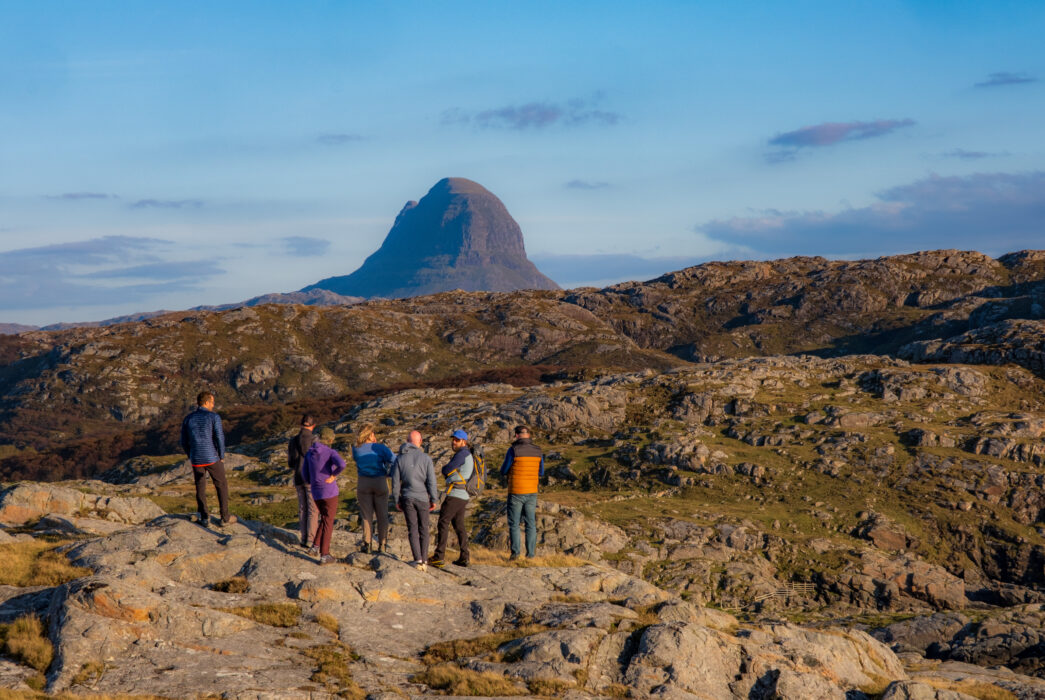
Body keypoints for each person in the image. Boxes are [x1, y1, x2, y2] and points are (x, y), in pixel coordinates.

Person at [180, 391, 235, 527]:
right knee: (221, 485)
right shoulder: (213, 417)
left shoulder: (188, 418)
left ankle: (204, 517)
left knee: (200, 486)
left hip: (196, 458)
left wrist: (191, 454)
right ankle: (225, 517)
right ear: (206, 402)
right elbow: (219, 437)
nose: (213, 404)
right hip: (211, 457)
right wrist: (221, 455)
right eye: (212, 402)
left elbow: (183, 441)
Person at [391, 430, 437, 570]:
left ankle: (417, 559)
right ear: (420, 442)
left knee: (413, 529)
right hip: (423, 498)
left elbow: (395, 482)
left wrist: (396, 499)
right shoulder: (426, 458)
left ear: (407, 441)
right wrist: (433, 498)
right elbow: (431, 481)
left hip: (407, 497)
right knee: (424, 529)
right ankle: (424, 560)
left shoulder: (400, 458)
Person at [430, 429, 473, 568]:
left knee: (443, 522)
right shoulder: (467, 454)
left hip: (455, 494)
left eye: (456, 440)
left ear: (464, 442)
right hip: (463, 495)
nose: (453, 442)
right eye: (453, 439)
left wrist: (444, 469)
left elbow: (447, 469)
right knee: (459, 525)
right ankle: (464, 556)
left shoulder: (462, 454)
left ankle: (438, 556)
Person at [500, 425, 544, 560]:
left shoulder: (513, 450)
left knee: (514, 524)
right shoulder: (538, 450)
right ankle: (530, 555)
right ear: (529, 435)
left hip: (516, 491)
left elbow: (504, 469)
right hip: (532, 491)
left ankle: (515, 554)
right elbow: (541, 472)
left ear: (517, 435)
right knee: (530, 523)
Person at [303, 427, 346, 565]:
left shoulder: (309, 453)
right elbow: (342, 464)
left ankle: (315, 547)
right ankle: (325, 555)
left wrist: (314, 482)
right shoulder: (330, 452)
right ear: (331, 439)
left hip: (315, 492)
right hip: (329, 492)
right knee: (328, 521)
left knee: (324, 518)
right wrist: (333, 476)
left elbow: (305, 474)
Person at [351, 423, 395, 554]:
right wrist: (390, 473)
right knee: (382, 515)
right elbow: (395, 460)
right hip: (380, 481)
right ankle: (382, 544)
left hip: (363, 482)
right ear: (370, 434)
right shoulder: (380, 448)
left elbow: (356, 460)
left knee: (366, 515)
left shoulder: (356, 448)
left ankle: (367, 544)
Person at [288, 414, 319, 549]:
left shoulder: (293, 440)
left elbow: (291, 462)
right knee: (313, 509)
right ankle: (311, 539)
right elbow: (317, 460)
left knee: (302, 507)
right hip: (311, 477)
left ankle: (303, 537)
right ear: (313, 425)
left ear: (301, 424)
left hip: (298, 476)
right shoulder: (314, 439)